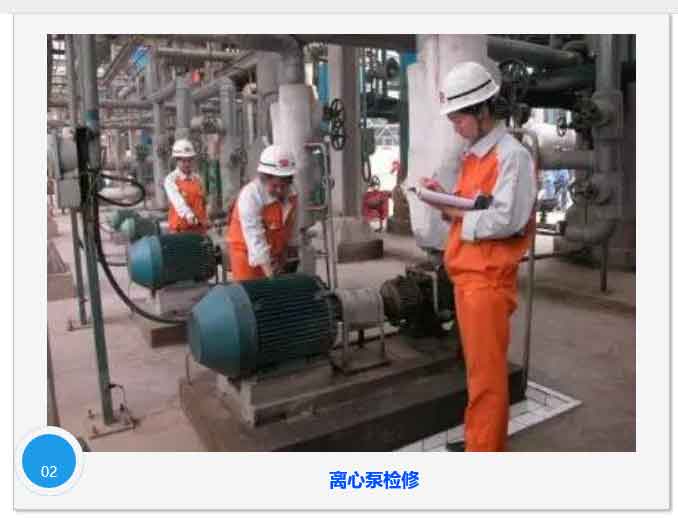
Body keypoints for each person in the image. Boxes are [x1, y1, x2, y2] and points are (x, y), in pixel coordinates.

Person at [420, 61, 537, 452]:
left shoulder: (512, 157)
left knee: (487, 379)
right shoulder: (476, 156)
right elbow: (473, 208)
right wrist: (445, 199)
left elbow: (507, 220)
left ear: (483, 110)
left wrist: (453, 211)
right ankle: (478, 440)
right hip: (468, 278)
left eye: (458, 118)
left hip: (486, 282)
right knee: (477, 372)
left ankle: (485, 453)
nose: (455, 126)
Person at [226, 145, 298, 281]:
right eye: (275, 186)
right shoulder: (250, 196)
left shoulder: (292, 193)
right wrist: (271, 275)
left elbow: (289, 227)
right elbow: (255, 239)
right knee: (252, 291)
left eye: (283, 186)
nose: (279, 190)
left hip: (274, 254)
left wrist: (285, 257)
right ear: (264, 179)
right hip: (246, 254)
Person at [164, 139, 208, 234]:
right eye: (183, 161)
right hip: (180, 231)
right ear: (177, 160)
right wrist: (189, 215)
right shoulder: (171, 179)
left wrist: (206, 218)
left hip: (199, 229)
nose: (187, 164)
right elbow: (177, 201)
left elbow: (203, 202)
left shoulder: (197, 179)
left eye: (189, 160)